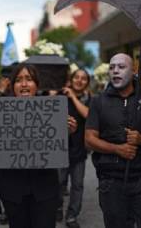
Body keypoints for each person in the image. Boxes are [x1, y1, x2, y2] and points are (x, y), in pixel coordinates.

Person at [85, 53, 141, 228]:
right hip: (111, 182)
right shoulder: (99, 101)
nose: (115, 71)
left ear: (134, 70)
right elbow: (89, 139)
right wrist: (116, 149)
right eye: (112, 67)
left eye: (121, 67)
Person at [0, 63, 77, 228]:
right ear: (13, 86)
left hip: (45, 189)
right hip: (13, 190)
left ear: (37, 85)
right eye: (19, 80)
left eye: (29, 79)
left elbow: (61, 150)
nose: (24, 84)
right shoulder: (0, 111)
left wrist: (68, 132)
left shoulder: (51, 110)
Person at [61, 69, 91, 228]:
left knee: (77, 185)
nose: (79, 80)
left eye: (83, 78)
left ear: (87, 82)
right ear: (71, 80)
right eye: (77, 77)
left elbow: (88, 114)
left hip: (79, 150)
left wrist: (73, 97)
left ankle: (72, 215)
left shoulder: (89, 99)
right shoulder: (61, 96)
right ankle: (58, 206)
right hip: (60, 149)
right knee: (59, 182)